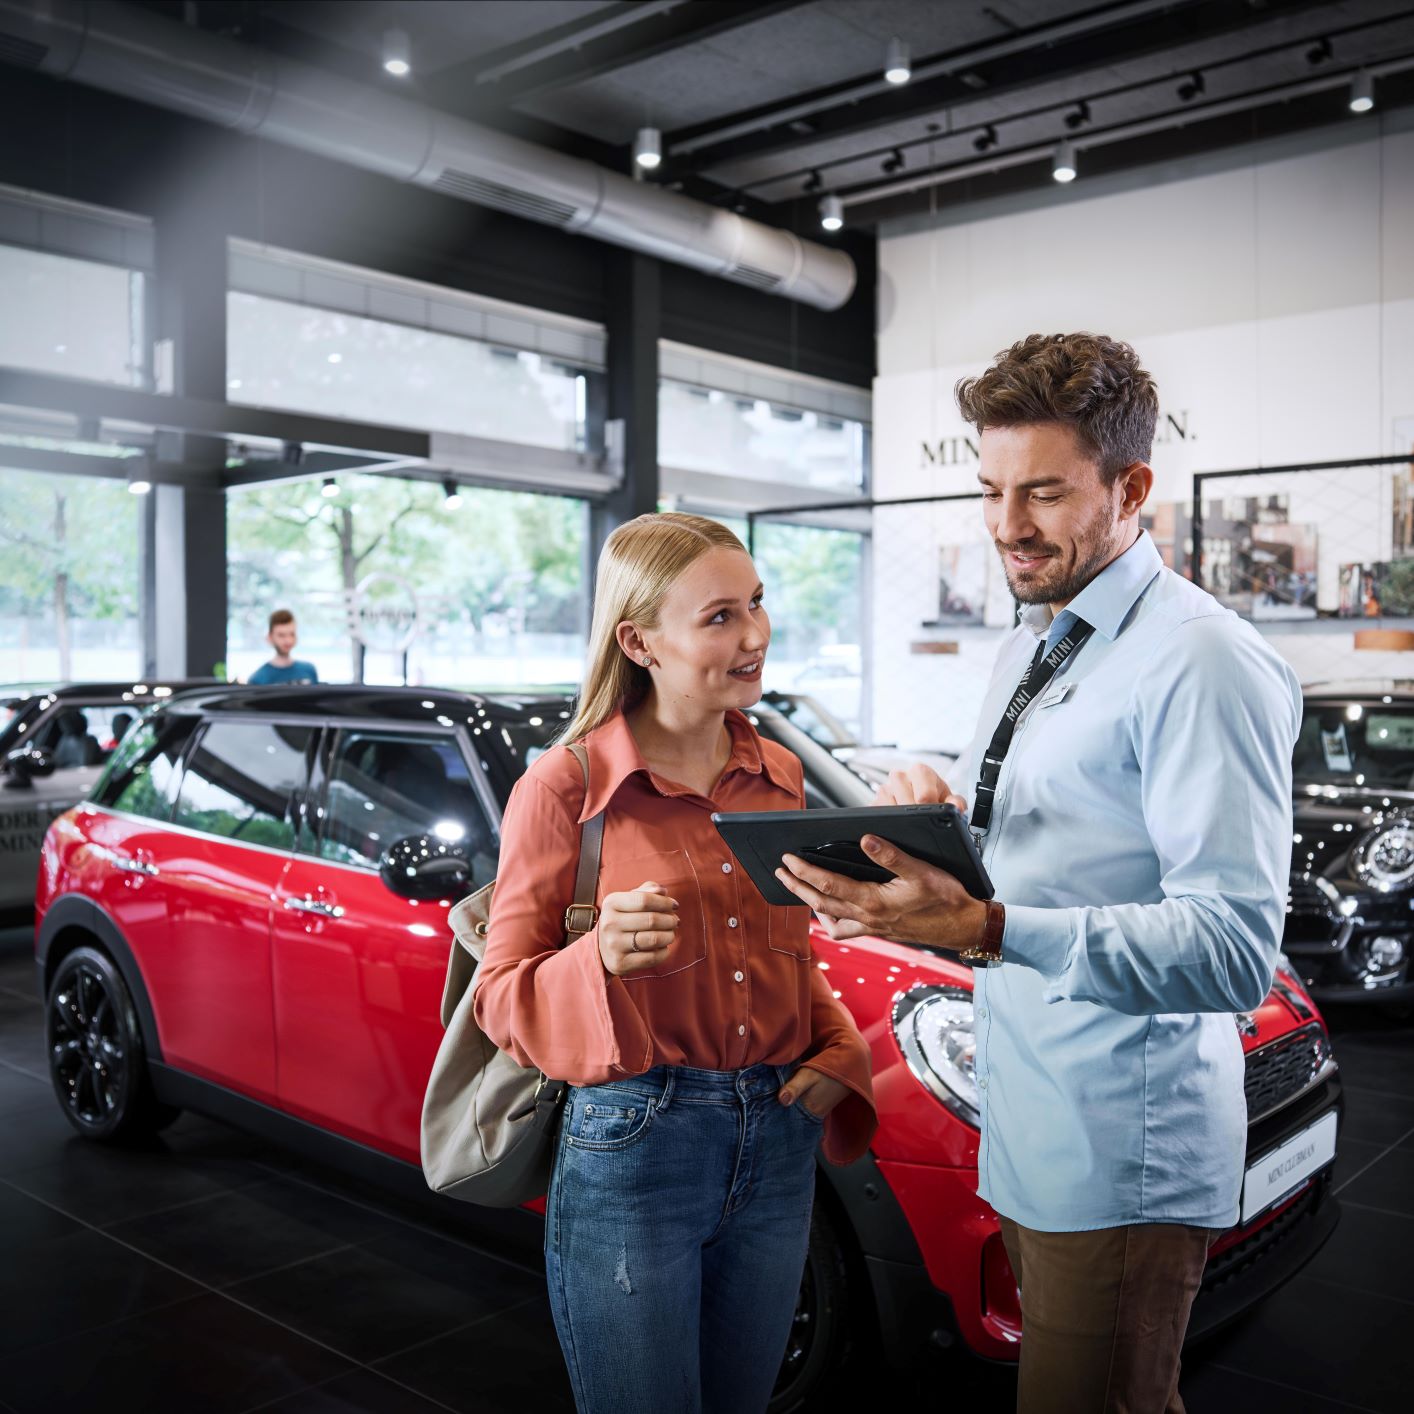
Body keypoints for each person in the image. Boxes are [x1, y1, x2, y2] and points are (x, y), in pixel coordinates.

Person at [776, 333, 1301, 1414]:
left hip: (1120, 1143)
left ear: (1131, 486)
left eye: (1045, 494)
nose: (1007, 525)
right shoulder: (1041, 632)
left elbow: (1232, 949)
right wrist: (946, 816)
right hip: (1030, 1112)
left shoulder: (1200, 660)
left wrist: (981, 926)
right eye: (991, 489)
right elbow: (1064, 843)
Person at [473, 512, 876, 1414]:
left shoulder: (777, 772)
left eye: (759, 605)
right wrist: (598, 960)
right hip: (635, 1147)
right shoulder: (565, 786)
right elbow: (500, 997)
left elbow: (789, 952)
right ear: (639, 641)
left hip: (777, 1143)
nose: (757, 635)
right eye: (721, 616)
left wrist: (835, 1053)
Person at [248, 608, 319, 685]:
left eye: (292, 634)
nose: (288, 640)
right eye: (281, 635)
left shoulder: (309, 670)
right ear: (270, 638)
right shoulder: (258, 679)